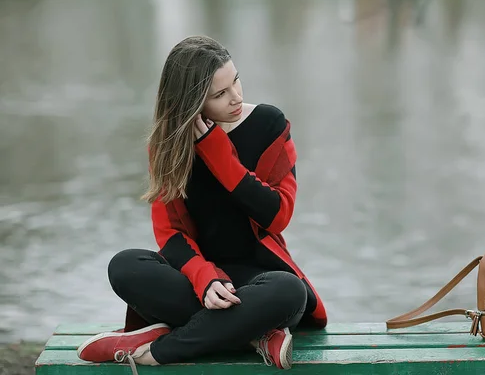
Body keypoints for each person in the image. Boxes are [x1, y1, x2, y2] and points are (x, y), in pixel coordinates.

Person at [76, 35, 327, 372]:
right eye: (219, 95)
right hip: (198, 284)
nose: (236, 97)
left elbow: (277, 215)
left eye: (235, 81)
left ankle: (158, 349)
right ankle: (255, 335)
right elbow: (171, 234)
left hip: (262, 282)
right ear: (190, 103)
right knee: (124, 265)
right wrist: (205, 279)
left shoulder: (270, 124)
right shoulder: (168, 146)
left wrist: (216, 149)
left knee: (289, 291)